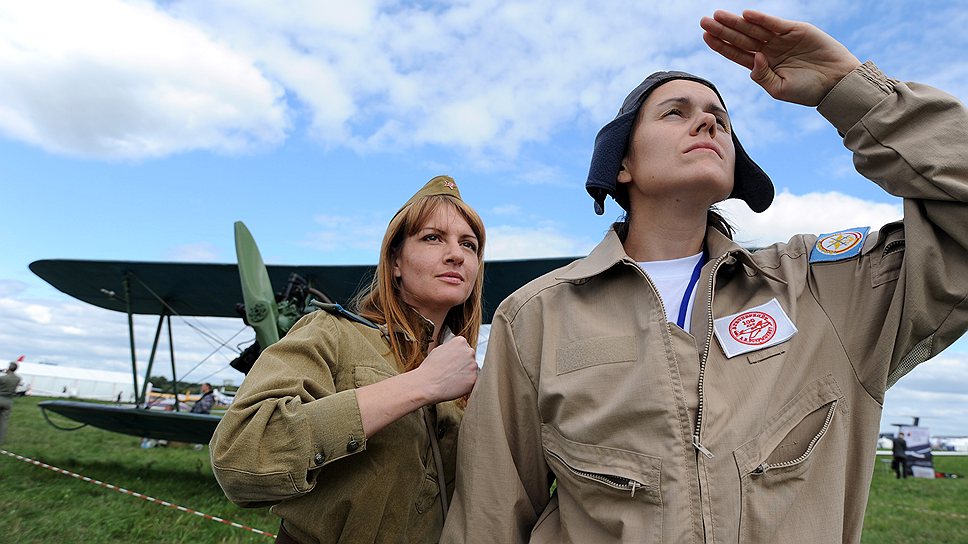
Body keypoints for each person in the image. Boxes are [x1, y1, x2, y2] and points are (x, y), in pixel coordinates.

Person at [442, 9, 968, 544]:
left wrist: (848, 89)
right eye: (674, 112)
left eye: (720, 117)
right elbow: (488, 515)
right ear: (621, 164)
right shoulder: (538, 316)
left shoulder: (821, 289)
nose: (708, 122)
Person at [211, 176, 485, 544]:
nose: (456, 254)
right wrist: (420, 385)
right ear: (395, 262)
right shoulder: (330, 332)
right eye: (432, 237)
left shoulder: (474, 377)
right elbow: (240, 456)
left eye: (469, 244)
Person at [0, 361, 22, 444]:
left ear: (9, 368)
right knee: (4, 421)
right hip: (8, 401)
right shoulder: (18, 378)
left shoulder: (3, 378)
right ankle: (1, 440)